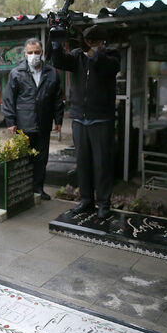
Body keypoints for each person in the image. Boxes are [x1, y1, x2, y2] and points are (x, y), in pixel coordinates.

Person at [50, 25, 120, 219]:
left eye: (92, 42)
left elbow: (105, 66)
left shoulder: (112, 55)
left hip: (101, 119)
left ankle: (104, 203)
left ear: (100, 42)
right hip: (80, 118)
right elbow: (58, 61)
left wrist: (90, 51)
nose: (88, 45)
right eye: (87, 42)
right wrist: (55, 41)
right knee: (83, 162)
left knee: (102, 163)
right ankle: (86, 200)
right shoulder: (77, 55)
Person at [3, 38, 63, 200]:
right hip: (24, 123)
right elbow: (9, 99)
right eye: (30, 53)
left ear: (42, 52)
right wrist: (10, 122)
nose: (34, 55)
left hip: (44, 123)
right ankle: (24, 189)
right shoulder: (16, 73)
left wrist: (58, 120)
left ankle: (38, 189)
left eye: (37, 52)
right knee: (25, 157)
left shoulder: (51, 73)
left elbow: (57, 98)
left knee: (41, 158)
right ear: (25, 53)